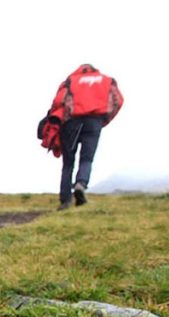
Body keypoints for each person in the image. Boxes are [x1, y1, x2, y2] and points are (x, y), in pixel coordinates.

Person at [46, 64, 124, 209]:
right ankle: (81, 184)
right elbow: (118, 100)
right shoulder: (107, 81)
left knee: (68, 162)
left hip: (71, 122)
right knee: (87, 159)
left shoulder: (71, 80)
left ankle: (65, 200)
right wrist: (105, 118)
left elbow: (58, 101)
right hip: (94, 121)